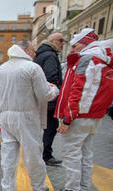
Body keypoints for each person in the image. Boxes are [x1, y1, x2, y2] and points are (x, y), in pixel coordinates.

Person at [50, 29, 113, 191]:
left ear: (85, 43)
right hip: (93, 116)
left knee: (71, 154)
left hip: (79, 117)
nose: (72, 48)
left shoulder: (86, 59)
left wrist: (67, 118)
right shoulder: (102, 61)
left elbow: (78, 91)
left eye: (75, 45)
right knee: (86, 155)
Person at [0, 40, 59, 191]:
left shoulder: (1, 70)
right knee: (33, 154)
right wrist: (54, 90)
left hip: (6, 117)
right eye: (33, 50)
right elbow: (44, 95)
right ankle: (38, 188)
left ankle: (8, 189)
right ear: (26, 50)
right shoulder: (33, 68)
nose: (35, 53)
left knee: (8, 155)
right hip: (27, 116)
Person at [34, 32, 65, 166]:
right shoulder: (51, 56)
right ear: (53, 41)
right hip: (49, 98)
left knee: (42, 127)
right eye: (61, 40)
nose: (63, 44)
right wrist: (56, 90)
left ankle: (41, 153)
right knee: (51, 127)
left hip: (40, 97)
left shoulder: (40, 55)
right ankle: (46, 155)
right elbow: (51, 77)